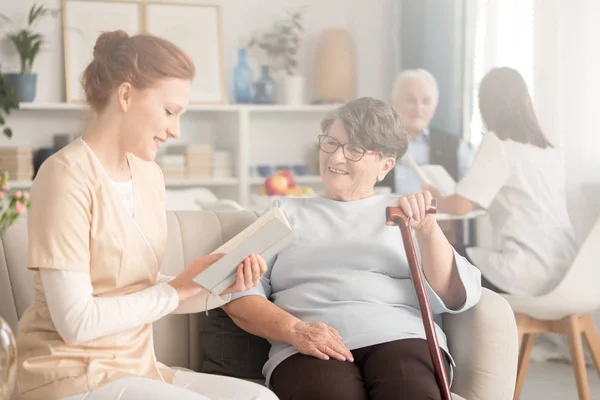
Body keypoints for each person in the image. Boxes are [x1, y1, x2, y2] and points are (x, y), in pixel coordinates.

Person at [14, 30, 277, 400]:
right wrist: (177, 288)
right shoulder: (64, 176)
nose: (175, 130)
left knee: (261, 398)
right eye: (170, 112)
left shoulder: (149, 176)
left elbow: (145, 287)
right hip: (68, 373)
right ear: (125, 95)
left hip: (138, 366)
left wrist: (222, 286)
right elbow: (75, 323)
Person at [222, 97, 482, 400]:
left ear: (385, 165)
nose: (336, 157)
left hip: (402, 336)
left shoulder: (406, 212)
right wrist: (295, 331)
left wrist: (427, 229)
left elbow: (453, 294)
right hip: (310, 343)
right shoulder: (285, 212)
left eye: (355, 149)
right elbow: (235, 290)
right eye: (331, 143)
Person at [431, 67, 578, 297]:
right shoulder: (546, 149)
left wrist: (435, 200)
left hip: (523, 272)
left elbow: (460, 206)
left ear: (486, 105)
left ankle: (439, 332)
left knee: (434, 257)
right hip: (566, 274)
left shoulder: (498, 142)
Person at [377, 69, 473, 195]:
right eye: (410, 100)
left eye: (426, 101)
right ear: (393, 103)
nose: (418, 108)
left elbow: (475, 196)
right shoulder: (373, 143)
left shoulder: (457, 147)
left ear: (434, 107)